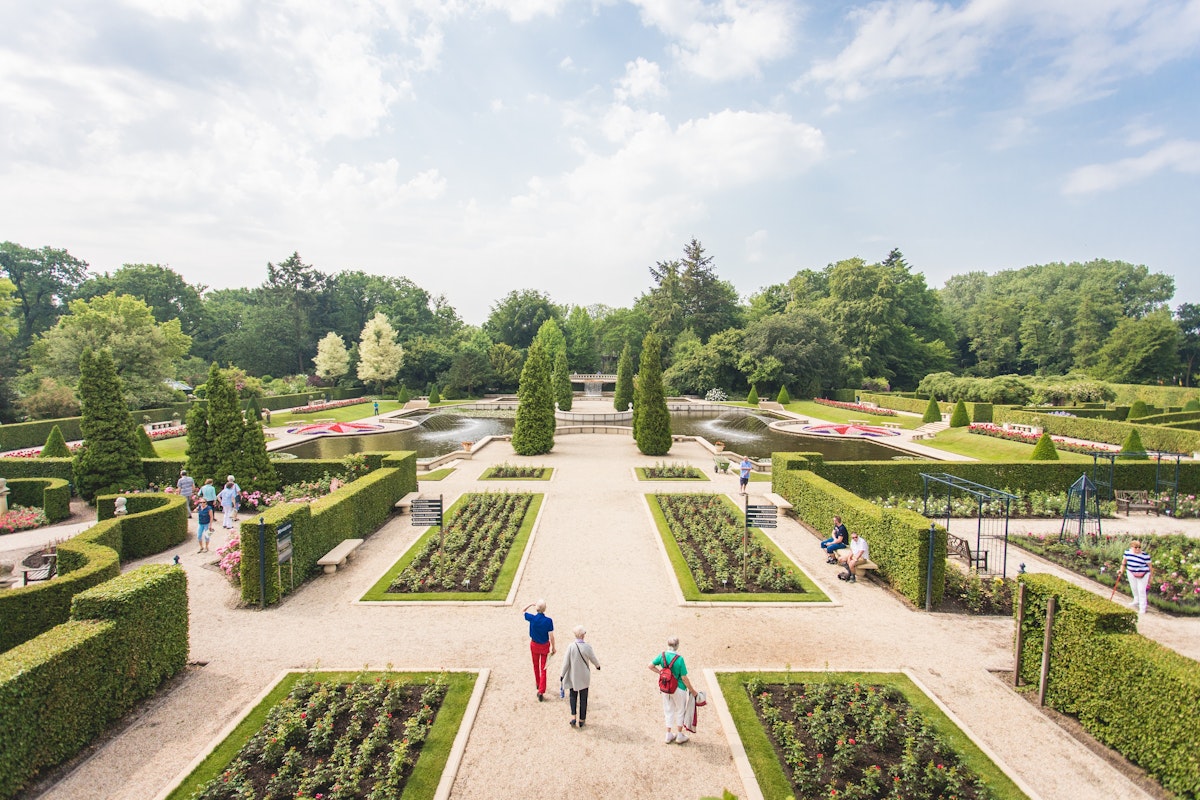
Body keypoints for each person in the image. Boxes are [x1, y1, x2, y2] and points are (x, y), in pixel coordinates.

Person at [649, 636, 699, 744]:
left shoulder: (662, 655)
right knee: (680, 710)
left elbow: (650, 666)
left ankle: (668, 734)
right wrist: (692, 690)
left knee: (668, 710)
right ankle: (679, 735)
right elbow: (684, 678)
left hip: (665, 687)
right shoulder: (680, 659)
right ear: (677, 646)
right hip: (679, 688)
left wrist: (661, 673)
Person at [559, 625, 601, 728]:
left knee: (573, 696)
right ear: (582, 635)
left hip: (573, 676)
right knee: (583, 698)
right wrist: (597, 666)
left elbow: (566, 662)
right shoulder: (587, 647)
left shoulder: (571, 646)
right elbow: (593, 658)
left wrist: (562, 674)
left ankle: (573, 717)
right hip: (584, 676)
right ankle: (582, 719)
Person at [523, 599, 556, 701]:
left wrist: (530, 604)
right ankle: (541, 690)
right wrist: (553, 647)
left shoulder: (532, 618)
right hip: (544, 646)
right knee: (544, 668)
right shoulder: (548, 621)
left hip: (534, 645)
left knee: (535, 665)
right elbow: (551, 636)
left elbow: (523, 611)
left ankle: (538, 683)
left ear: (536, 608)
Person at [1119, 539, 1153, 615]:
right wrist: (1121, 570)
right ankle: (1136, 600)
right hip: (1131, 571)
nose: (1138, 549)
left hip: (1143, 573)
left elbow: (1150, 567)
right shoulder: (1127, 552)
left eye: (1139, 547)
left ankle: (1143, 607)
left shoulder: (1145, 555)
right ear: (1131, 547)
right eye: (1135, 547)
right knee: (1134, 587)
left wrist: (1151, 577)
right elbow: (1124, 562)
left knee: (1141, 590)